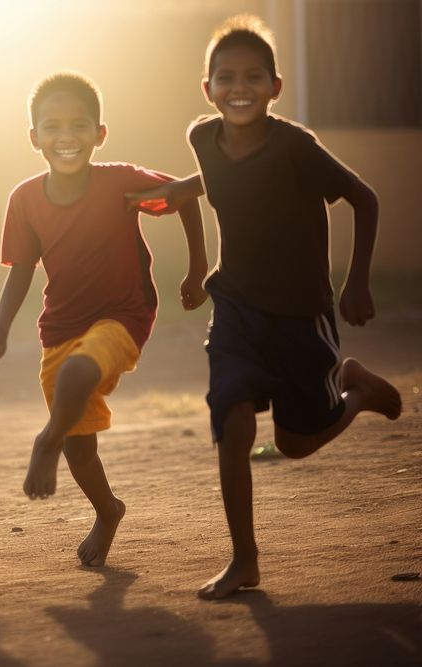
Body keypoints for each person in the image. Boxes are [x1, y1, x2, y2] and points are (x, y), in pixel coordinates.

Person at [126, 15, 402, 599]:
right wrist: (187, 199)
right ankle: (244, 559)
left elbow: (364, 198)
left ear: (276, 87)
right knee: (232, 422)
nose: (239, 86)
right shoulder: (203, 137)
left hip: (303, 314)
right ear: (208, 89)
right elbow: (222, 174)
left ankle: (355, 391)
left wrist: (357, 283)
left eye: (254, 76)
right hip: (238, 308)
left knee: (299, 442)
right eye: (225, 77)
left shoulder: (296, 147)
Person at [0, 72, 207, 567]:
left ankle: (46, 440)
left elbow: (185, 194)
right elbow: (21, 271)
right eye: (52, 127)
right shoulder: (25, 200)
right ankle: (108, 510)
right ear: (34, 137)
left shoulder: (120, 181)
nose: (66, 137)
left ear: (100, 133)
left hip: (125, 315)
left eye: (79, 125)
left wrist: (197, 268)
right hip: (59, 328)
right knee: (83, 451)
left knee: (77, 382)